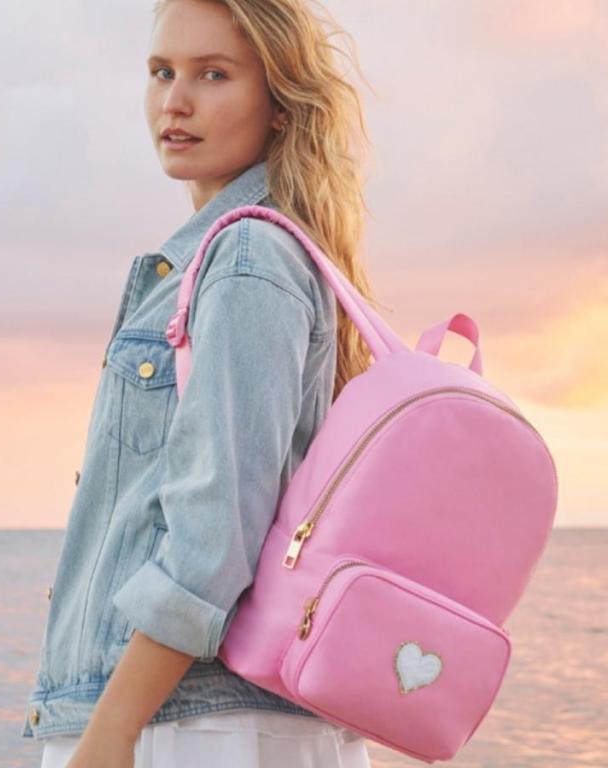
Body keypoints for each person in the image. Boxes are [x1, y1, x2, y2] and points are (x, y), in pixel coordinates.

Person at [22, 0, 383, 765]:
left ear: (280, 105)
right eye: (162, 72)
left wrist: (110, 733)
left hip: (189, 727)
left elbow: (211, 538)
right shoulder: (235, 256)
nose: (174, 101)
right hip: (200, 718)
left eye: (213, 74)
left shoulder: (248, 257)